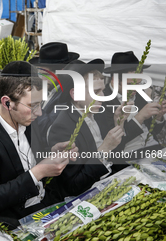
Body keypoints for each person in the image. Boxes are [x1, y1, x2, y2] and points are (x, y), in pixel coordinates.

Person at [0, 61, 79, 219]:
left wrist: (52, 152)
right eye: (33, 105)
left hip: (44, 203)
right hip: (10, 218)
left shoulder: (28, 119)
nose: (39, 113)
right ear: (7, 103)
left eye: (40, 104)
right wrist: (38, 173)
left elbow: (31, 156)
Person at [48, 59, 129, 196]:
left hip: (113, 179)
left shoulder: (99, 114)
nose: (103, 97)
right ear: (75, 94)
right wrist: (104, 149)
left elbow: (116, 155)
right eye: (96, 91)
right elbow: (74, 185)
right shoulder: (62, 127)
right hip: (90, 193)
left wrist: (118, 124)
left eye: (103, 90)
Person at [103, 51, 166, 153]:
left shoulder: (139, 94)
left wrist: (158, 117)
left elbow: (154, 131)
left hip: (153, 147)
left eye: (139, 83)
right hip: (128, 155)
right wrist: (140, 117)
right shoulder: (103, 101)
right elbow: (114, 144)